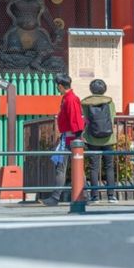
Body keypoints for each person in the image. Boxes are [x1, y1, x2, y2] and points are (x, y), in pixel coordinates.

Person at [41, 73, 84, 206]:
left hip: (70, 138)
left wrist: (75, 136)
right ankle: (85, 194)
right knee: (77, 168)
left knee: (61, 167)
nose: (57, 89)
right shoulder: (70, 98)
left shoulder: (70, 99)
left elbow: (74, 120)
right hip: (72, 136)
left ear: (60, 86)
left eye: (57, 86)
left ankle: (55, 197)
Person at [81, 79, 118, 204]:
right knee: (109, 167)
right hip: (108, 139)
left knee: (94, 168)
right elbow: (112, 117)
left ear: (91, 89)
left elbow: (86, 119)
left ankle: (95, 196)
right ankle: (111, 196)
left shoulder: (86, 103)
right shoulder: (109, 102)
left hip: (92, 138)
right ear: (104, 89)